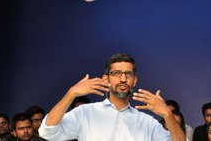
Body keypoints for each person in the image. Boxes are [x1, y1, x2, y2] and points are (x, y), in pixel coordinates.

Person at [39, 53, 186, 141]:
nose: (123, 79)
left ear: (135, 80)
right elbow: (47, 132)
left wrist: (168, 115)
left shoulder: (147, 122)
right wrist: (70, 94)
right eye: (116, 73)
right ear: (106, 79)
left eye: (128, 74)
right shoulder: (85, 113)